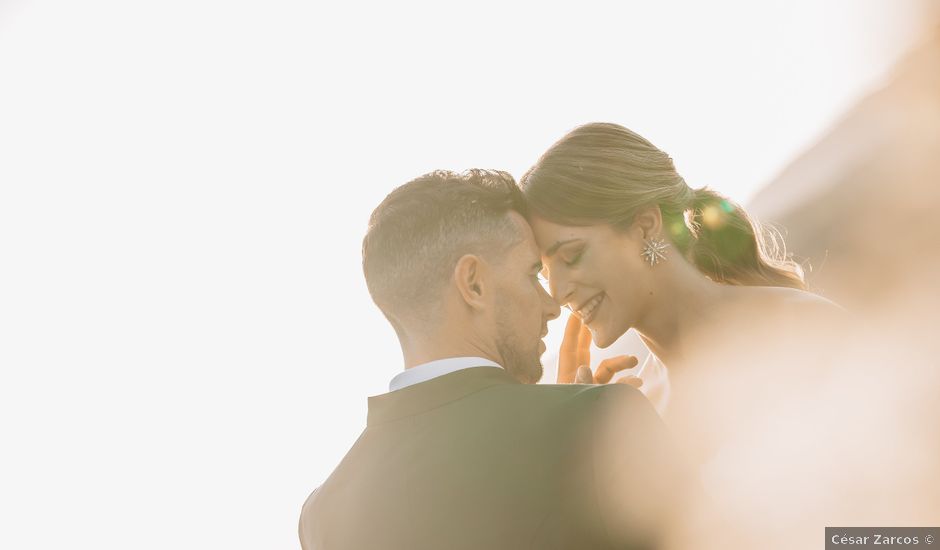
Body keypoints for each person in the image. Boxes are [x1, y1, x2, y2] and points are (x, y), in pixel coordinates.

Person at [298, 169, 694, 550]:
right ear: (473, 283)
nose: (552, 305)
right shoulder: (598, 421)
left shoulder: (323, 514)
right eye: (531, 274)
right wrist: (580, 420)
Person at [520, 122, 843, 419]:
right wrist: (570, 431)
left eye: (572, 256)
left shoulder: (799, 329)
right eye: (545, 274)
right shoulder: (643, 407)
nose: (559, 293)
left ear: (646, 225)